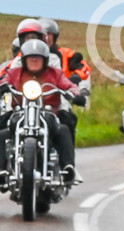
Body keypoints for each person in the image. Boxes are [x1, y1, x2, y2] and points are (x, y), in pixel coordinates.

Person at [0, 38, 84, 183]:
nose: (34, 60)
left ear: (45, 60)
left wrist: (75, 94)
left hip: (48, 114)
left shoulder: (55, 74)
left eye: (38, 58)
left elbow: (69, 85)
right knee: (3, 134)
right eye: (31, 57)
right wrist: (3, 87)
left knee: (63, 130)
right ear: (24, 59)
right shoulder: (15, 73)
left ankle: (68, 168)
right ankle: (2, 170)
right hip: (20, 113)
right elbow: (4, 81)